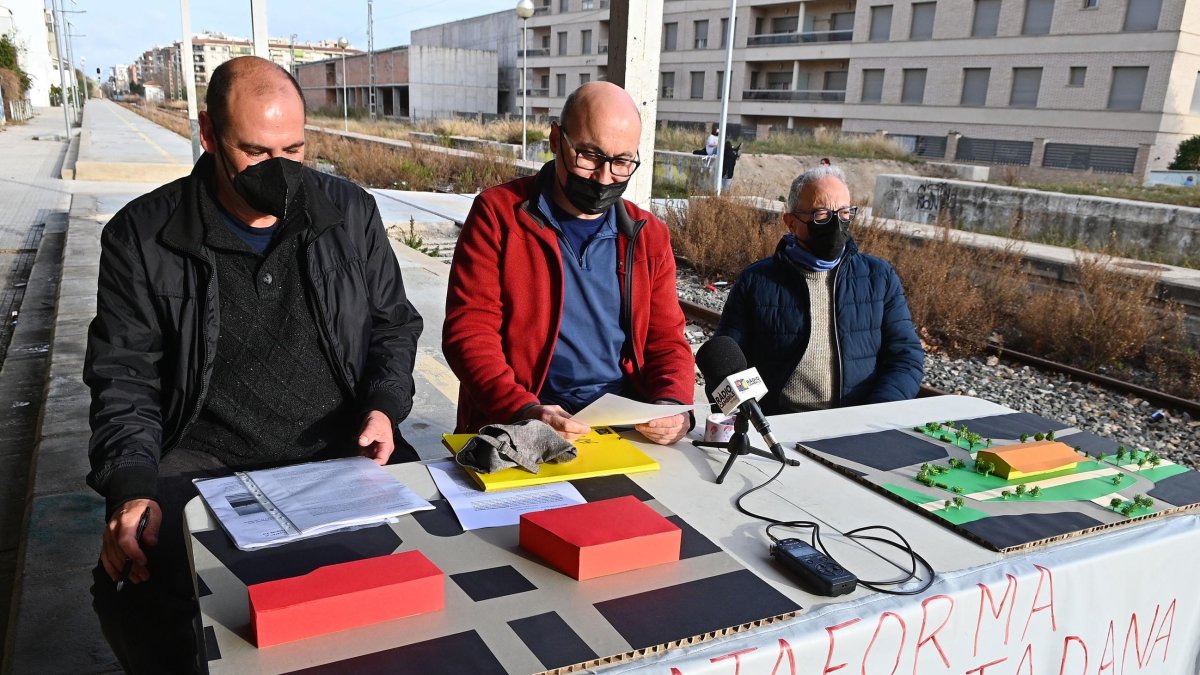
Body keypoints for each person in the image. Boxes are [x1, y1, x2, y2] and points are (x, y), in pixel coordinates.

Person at [84, 56, 423, 673]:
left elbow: (393, 326)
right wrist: (130, 487)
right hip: (199, 455)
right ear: (209, 135)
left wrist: (384, 405)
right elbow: (123, 378)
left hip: (340, 447)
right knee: (147, 593)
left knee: (414, 588)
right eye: (256, 153)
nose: (280, 173)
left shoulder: (349, 214)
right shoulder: (141, 237)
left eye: (294, 151)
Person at [443, 81, 694, 444]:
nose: (604, 178)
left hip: (621, 428)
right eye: (589, 156)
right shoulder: (498, 215)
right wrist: (523, 410)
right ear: (556, 139)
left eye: (622, 162)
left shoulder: (648, 234)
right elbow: (469, 332)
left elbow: (666, 342)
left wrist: (672, 404)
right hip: (520, 424)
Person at [714, 166, 923, 414]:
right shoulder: (757, 281)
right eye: (821, 215)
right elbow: (727, 361)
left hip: (857, 421)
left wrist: (876, 412)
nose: (835, 224)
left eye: (844, 213)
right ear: (791, 222)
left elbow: (905, 357)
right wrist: (749, 415)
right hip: (780, 423)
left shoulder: (879, 277)